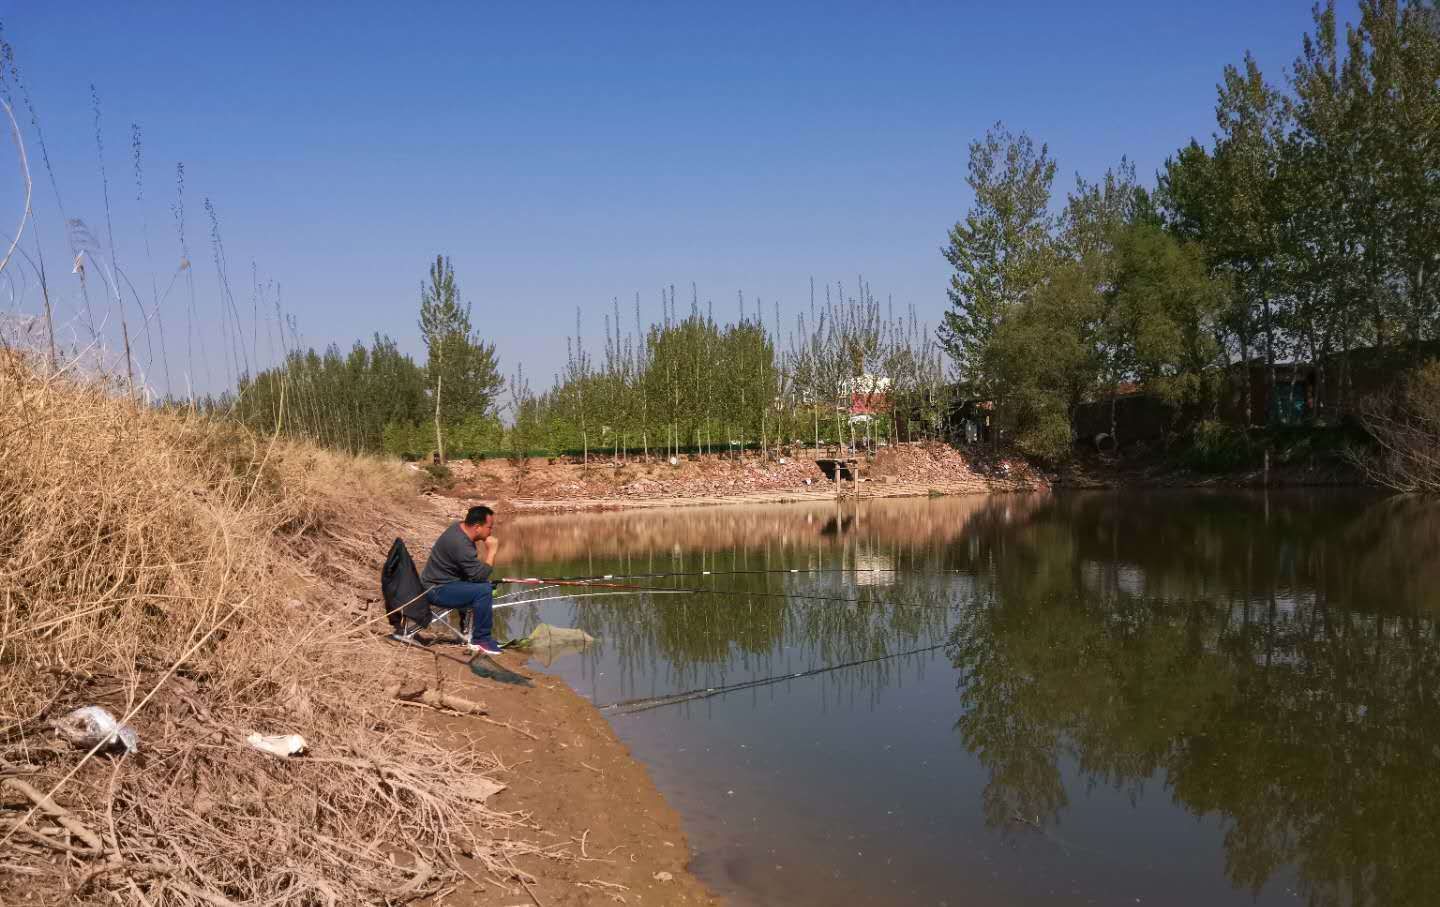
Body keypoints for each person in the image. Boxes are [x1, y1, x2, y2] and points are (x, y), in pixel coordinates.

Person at [421, 505, 502, 655]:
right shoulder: (460, 543)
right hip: (436, 590)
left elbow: (474, 575)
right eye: (489, 527)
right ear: (477, 527)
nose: (491, 532)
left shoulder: (459, 529)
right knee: (484, 591)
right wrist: (492, 551)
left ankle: (468, 631)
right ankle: (481, 640)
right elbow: (479, 575)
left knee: (482, 586)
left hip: (442, 584)